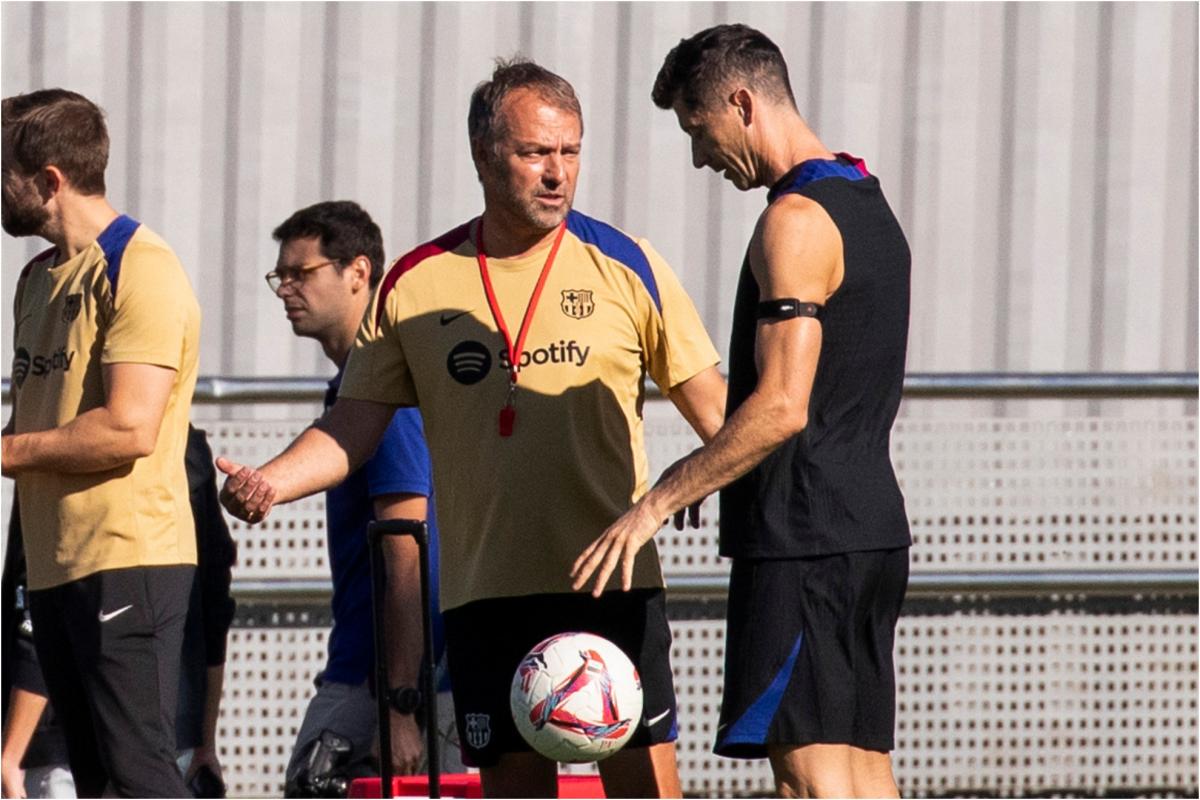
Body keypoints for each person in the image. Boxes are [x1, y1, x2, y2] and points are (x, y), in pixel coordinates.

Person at [218, 59, 726, 798]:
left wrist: (690, 488)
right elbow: (353, 426)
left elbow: (722, 417)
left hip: (612, 588)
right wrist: (272, 482)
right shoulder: (419, 282)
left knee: (645, 791)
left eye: (570, 151)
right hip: (486, 597)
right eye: (534, 153)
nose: (557, 173)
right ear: (484, 154)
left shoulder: (628, 264)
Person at [571, 24, 913, 799]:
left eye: (699, 130)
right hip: (866, 532)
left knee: (809, 778)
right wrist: (720, 464)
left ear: (740, 101)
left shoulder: (793, 222)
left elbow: (783, 407)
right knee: (862, 775)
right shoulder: (867, 197)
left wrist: (661, 498)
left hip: (805, 538)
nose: (700, 157)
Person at [0, 89, 200, 797]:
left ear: (49, 178)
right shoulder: (36, 278)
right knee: (98, 784)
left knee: (139, 775)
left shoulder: (140, 265)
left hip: (130, 560)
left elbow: (128, 428)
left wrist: (6, 453)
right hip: (56, 568)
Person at [262, 201, 449, 795]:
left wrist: (399, 707)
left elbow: (407, 551)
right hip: (377, 672)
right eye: (280, 276)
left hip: (387, 685)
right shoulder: (355, 384)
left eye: (302, 273)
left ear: (358, 272)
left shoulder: (384, 390)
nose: (285, 289)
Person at [1, 427, 237, 799]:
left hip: (70, 735)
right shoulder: (186, 447)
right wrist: (205, 737)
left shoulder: (65, 446)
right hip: (171, 727)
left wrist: (11, 753)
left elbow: (36, 594)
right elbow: (214, 604)